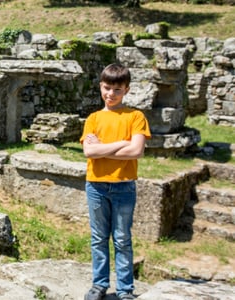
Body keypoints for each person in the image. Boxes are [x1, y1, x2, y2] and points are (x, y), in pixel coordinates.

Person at [80, 63, 151, 300]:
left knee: (122, 239)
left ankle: (124, 289)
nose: (111, 94)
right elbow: (89, 153)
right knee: (99, 238)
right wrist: (122, 143)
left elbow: (136, 151)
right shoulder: (93, 118)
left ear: (126, 90)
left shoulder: (135, 116)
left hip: (123, 185)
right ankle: (99, 285)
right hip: (96, 185)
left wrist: (101, 148)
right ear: (101, 86)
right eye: (107, 88)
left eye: (117, 90)